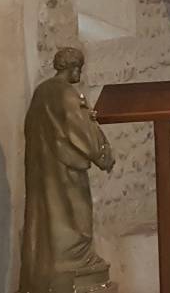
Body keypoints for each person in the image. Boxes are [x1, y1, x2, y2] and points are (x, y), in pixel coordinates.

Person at [20, 47, 115, 293]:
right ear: (73, 68)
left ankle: (48, 267)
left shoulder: (41, 92)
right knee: (75, 216)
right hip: (66, 170)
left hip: (42, 168)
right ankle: (74, 262)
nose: (79, 74)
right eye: (79, 69)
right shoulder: (68, 95)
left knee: (48, 216)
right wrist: (103, 155)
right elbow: (81, 130)